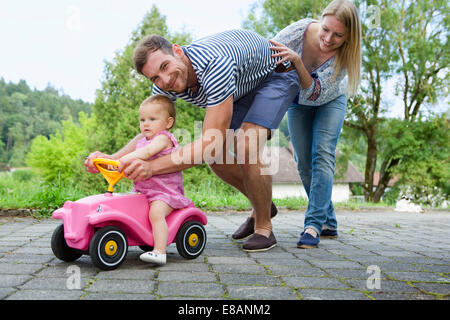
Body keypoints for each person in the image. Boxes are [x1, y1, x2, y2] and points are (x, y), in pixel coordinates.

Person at [85, 29, 301, 252]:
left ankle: (264, 226)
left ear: (178, 51)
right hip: (240, 87)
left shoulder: (215, 66)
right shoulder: (162, 85)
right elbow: (152, 131)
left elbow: (210, 142)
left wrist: (150, 167)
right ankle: (262, 203)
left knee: (246, 145)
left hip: (276, 74)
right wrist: (113, 159)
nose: (165, 80)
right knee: (216, 158)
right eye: (155, 77)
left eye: (165, 66)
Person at [269, 0, 362, 248]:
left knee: (322, 154)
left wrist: (298, 63)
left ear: (349, 37)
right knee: (303, 163)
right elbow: (267, 51)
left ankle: (313, 225)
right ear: (320, 21)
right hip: (297, 99)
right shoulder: (299, 30)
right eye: (325, 29)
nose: (328, 38)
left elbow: (316, 94)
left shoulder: (343, 58)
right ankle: (329, 220)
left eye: (338, 35)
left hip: (328, 100)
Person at [92, 94, 194, 265]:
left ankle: (160, 252)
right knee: (126, 205)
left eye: (152, 119)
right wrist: (112, 164)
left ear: (168, 123)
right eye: (142, 119)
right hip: (143, 192)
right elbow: (128, 159)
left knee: (156, 213)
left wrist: (123, 161)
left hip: (165, 193)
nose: (146, 123)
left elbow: (146, 154)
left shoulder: (163, 138)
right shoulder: (142, 141)